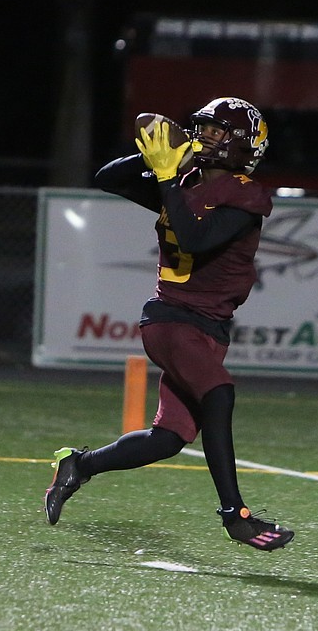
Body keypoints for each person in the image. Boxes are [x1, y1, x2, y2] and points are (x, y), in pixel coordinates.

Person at [44, 96, 294, 551]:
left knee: (169, 437)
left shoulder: (245, 193)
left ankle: (79, 465)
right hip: (173, 319)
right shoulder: (180, 181)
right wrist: (158, 162)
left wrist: (169, 178)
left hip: (210, 328)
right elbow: (108, 179)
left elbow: (200, 234)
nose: (204, 137)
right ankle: (235, 515)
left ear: (241, 144)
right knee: (219, 394)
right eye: (202, 128)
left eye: (217, 131)